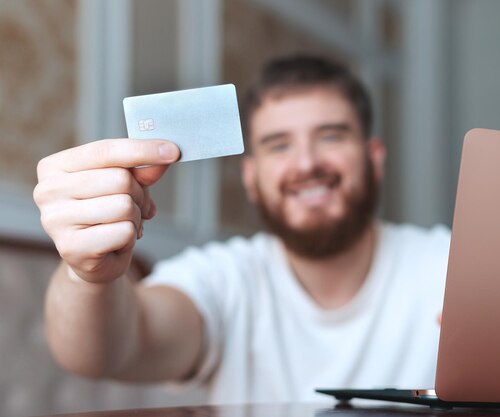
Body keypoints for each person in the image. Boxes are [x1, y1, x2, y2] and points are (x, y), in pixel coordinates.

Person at [33, 55, 450, 404]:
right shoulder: (224, 279)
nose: (305, 164)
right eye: (279, 145)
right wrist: (86, 277)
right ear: (251, 177)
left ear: (373, 159)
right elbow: (111, 351)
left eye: (331, 136)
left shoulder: (451, 266)